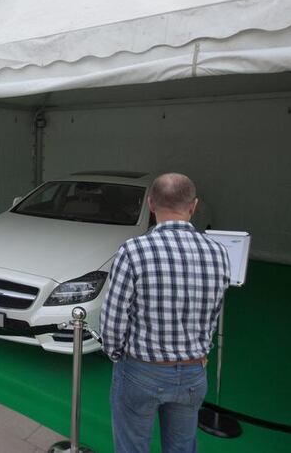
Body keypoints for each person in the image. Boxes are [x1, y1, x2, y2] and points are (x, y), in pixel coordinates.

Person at [100, 173, 231, 453]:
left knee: (132, 446)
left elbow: (112, 318)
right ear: (193, 206)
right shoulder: (219, 252)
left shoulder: (133, 250)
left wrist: (116, 354)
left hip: (141, 369)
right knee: (182, 447)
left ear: (150, 204)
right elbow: (213, 311)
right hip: (194, 370)